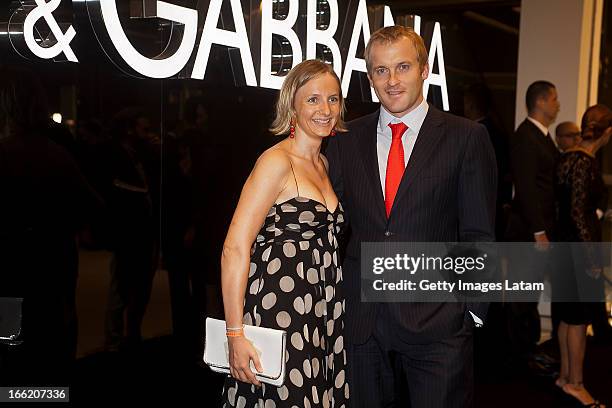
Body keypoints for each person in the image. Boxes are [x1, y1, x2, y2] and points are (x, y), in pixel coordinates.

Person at [326, 26, 496, 408]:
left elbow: (478, 232)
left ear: (424, 69)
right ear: (370, 78)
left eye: (402, 66)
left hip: (438, 323)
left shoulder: (465, 137)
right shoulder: (346, 138)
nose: (392, 80)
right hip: (363, 322)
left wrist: (471, 312)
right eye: (381, 71)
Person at [220, 59, 349, 407]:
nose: (325, 109)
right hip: (280, 307)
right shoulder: (275, 162)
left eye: (333, 99)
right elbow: (235, 247)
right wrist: (235, 334)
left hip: (321, 307)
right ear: (292, 103)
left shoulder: (323, 163)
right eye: (313, 99)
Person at [553, 104, 611, 408]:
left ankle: (564, 377)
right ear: (608, 132)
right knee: (578, 322)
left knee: (566, 317)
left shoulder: (567, 158)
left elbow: (564, 210)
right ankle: (576, 384)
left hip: (562, 250)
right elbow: (578, 216)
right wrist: (590, 259)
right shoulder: (585, 164)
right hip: (579, 253)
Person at [505, 80, 560, 363]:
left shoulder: (543, 137)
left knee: (529, 293)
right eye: (554, 99)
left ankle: (527, 351)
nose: (558, 104)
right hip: (527, 233)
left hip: (537, 231)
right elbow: (525, 188)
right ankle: (520, 356)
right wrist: (539, 232)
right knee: (522, 296)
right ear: (540, 102)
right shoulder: (525, 136)